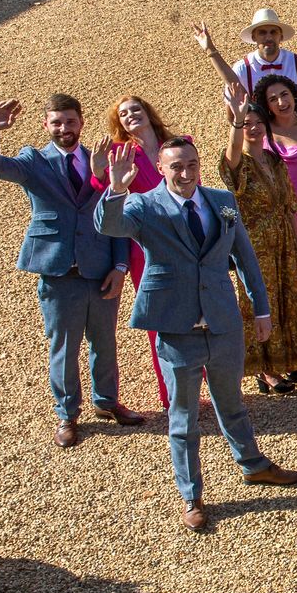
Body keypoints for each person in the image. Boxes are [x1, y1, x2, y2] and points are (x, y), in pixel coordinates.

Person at [96, 138, 297, 531]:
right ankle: (191, 495)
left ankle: (253, 464)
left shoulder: (221, 200)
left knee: (233, 404)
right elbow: (110, 225)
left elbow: (245, 256)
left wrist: (261, 309)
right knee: (184, 418)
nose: (186, 173)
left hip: (223, 324)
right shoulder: (143, 205)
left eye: (191, 164)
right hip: (177, 329)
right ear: (161, 167)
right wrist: (118, 188)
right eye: (176, 166)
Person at [0, 96, 139, 447]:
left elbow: (117, 215)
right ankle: (67, 414)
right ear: (46, 125)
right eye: (56, 123)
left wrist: (120, 266)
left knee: (105, 342)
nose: (64, 128)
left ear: (81, 122)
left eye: (70, 121)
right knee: (64, 347)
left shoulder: (103, 159)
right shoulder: (34, 161)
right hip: (59, 271)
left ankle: (107, 403)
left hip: (100, 269)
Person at [220, 100, 297, 395]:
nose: (253, 128)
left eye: (257, 123)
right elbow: (230, 163)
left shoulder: (275, 159)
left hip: (284, 241)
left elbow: (291, 206)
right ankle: (265, 370)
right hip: (254, 243)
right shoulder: (237, 161)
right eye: (247, 124)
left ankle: (286, 358)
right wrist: (236, 121)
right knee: (259, 301)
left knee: (287, 298)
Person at [90, 93, 177, 406]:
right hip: (147, 248)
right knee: (159, 321)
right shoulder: (121, 152)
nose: (130, 116)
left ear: (147, 112)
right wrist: (100, 174)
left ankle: (206, 380)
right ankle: (171, 394)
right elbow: (106, 195)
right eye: (123, 114)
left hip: (185, 240)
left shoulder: (175, 145)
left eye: (135, 110)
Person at [244, 72, 297, 331]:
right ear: (266, 105)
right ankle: (288, 332)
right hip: (277, 210)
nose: (281, 102)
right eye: (273, 99)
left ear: (294, 94)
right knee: (286, 267)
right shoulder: (262, 130)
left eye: (284, 94)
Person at [193, 10, 297, 101]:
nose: (268, 37)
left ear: (281, 36)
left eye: (273, 32)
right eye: (262, 32)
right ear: (253, 37)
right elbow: (232, 114)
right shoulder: (241, 69)